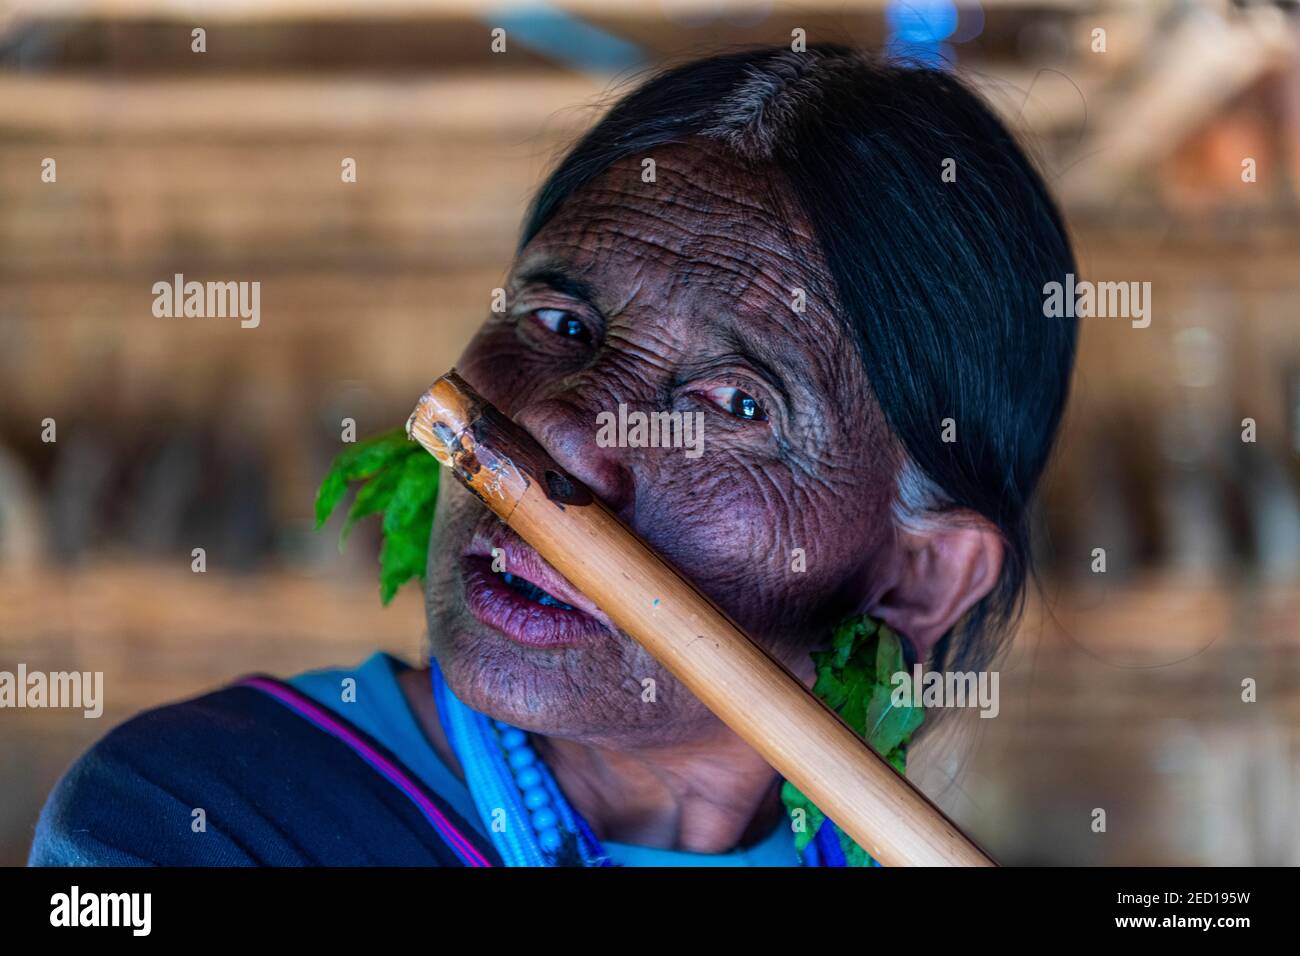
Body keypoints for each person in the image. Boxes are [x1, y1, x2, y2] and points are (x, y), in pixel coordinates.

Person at [30, 45, 1077, 867]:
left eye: (735, 402)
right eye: (560, 324)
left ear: (918, 571)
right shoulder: (196, 817)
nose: (568, 431)